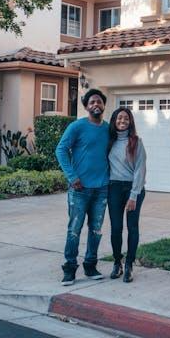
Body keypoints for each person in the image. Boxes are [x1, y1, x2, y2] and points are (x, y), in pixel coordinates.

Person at [56, 88, 110, 286]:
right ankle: (69, 269)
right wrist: (72, 176)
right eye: (92, 102)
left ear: (104, 105)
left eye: (99, 102)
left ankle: (90, 265)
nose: (96, 104)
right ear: (87, 106)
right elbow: (61, 150)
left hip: (102, 188)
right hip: (79, 189)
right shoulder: (77, 127)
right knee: (74, 229)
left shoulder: (108, 129)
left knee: (96, 230)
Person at [107, 107, 147, 283]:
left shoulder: (136, 142)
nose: (122, 121)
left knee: (132, 227)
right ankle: (118, 262)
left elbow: (140, 169)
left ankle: (129, 265)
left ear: (130, 122)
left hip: (133, 188)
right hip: (114, 187)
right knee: (116, 228)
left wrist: (133, 196)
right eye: (119, 118)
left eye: (126, 118)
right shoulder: (109, 140)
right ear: (114, 120)